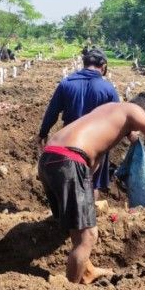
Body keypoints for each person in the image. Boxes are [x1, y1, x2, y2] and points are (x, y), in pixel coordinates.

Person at [38, 92, 145, 284]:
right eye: (143, 125)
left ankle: (87, 271)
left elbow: (93, 161)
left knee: (76, 226)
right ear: (144, 113)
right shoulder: (133, 110)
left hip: (48, 158)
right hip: (70, 160)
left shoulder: (108, 111)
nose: (139, 133)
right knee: (88, 236)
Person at [37, 49, 119, 195]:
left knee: (70, 182)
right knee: (92, 184)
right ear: (103, 66)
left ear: (84, 63)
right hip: (98, 144)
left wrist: (43, 133)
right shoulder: (108, 89)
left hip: (71, 143)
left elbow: (52, 112)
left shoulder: (66, 84)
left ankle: (67, 215)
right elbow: (118, 119)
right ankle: (89, 215)